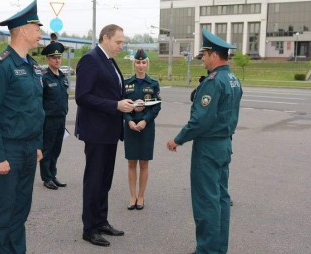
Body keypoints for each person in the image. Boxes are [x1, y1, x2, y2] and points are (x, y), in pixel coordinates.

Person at [167, 28, 243, 254]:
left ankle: (207, 250)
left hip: (209, 147)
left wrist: (178, 139)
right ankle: (218, 248)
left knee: (206, 201)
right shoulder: (233, 79)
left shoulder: (214, 81)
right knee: (220, 198)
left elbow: (201, 120)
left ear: (213, 54)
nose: (203, 60)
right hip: (224, 144)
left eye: (205, 55)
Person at [0, 1, 44, 253]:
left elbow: (36, 109)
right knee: (5, 212)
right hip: (9, 150)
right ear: (22, 30)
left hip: (29, 149)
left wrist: (37, 144)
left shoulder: (32, 66)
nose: (40, 32)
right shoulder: (1, 66)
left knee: (21, 210)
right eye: (36, 27)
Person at [75, 24, 135, 247]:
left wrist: (128, 103)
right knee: (94, 180)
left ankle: (101, 221)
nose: (121, 46)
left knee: (104, 180)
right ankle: (89, 228)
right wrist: (115, 105)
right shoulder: (91, 59)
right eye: (118, 42)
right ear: (105, 38)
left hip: (109, 131)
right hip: (96, 132)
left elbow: (111, 91)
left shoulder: (109, 60)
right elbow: (82, 96)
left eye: (122, 42)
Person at [123, 49, 161, 210]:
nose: (140, 65)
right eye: (138, 62)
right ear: (134, 63)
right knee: (132, 162)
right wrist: (130, 121)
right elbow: (122, 106)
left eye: (143, 62)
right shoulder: (126, 84)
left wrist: (145, 121)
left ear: (147, 64)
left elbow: (157, 107)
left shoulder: (153, 84)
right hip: (130, 127)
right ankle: (132, 196)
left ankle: (141, 196)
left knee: (144, 163)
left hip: (146, 127)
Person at [39, 41, 69, 190]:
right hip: (48, 120)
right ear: (48, 59)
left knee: (56, 149)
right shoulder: (44, 77)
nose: (57, 60)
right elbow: (39, 100)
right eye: (53, 57)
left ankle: (53, 174)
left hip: (61, 119)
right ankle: (46, 178)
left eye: (59, 57)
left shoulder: (63, 77)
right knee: (47, 149)